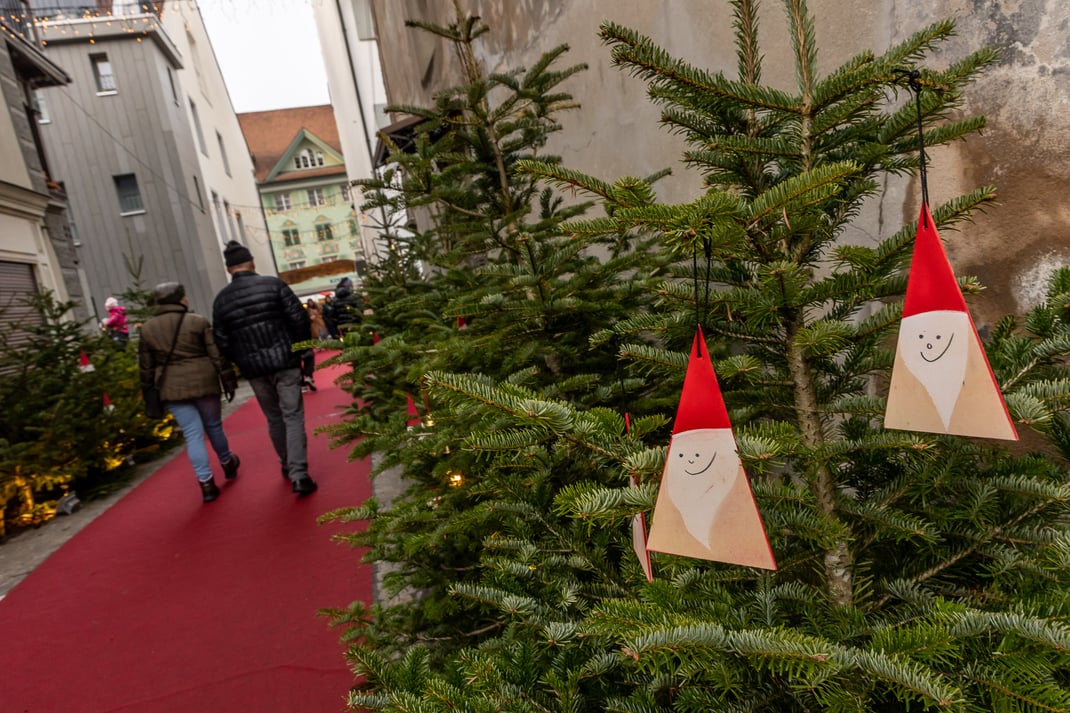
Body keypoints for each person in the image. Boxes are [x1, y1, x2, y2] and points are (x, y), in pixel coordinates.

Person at [212, 241, 317, 496]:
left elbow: (221, 341)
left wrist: (242, 360)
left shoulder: (222, 300)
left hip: (255, 369)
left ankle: (286, 463)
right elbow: (298, 319)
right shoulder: (274, 285)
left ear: (228, 269)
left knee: (274, 417)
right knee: (292, 415)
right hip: (285, 361)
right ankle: (299, 474)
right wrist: (301, 350)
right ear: (251, 262)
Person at [138, 282, 240, 503]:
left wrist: (148, 393)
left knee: (192, 434)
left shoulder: (147, 329)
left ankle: (206, 483)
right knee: (213, 426)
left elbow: (146, 367)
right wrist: (228, 382)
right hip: (204, 381)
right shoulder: (197, 321)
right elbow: (216, 355)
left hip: (171, 387)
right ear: (179, 299)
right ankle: (227, 462)